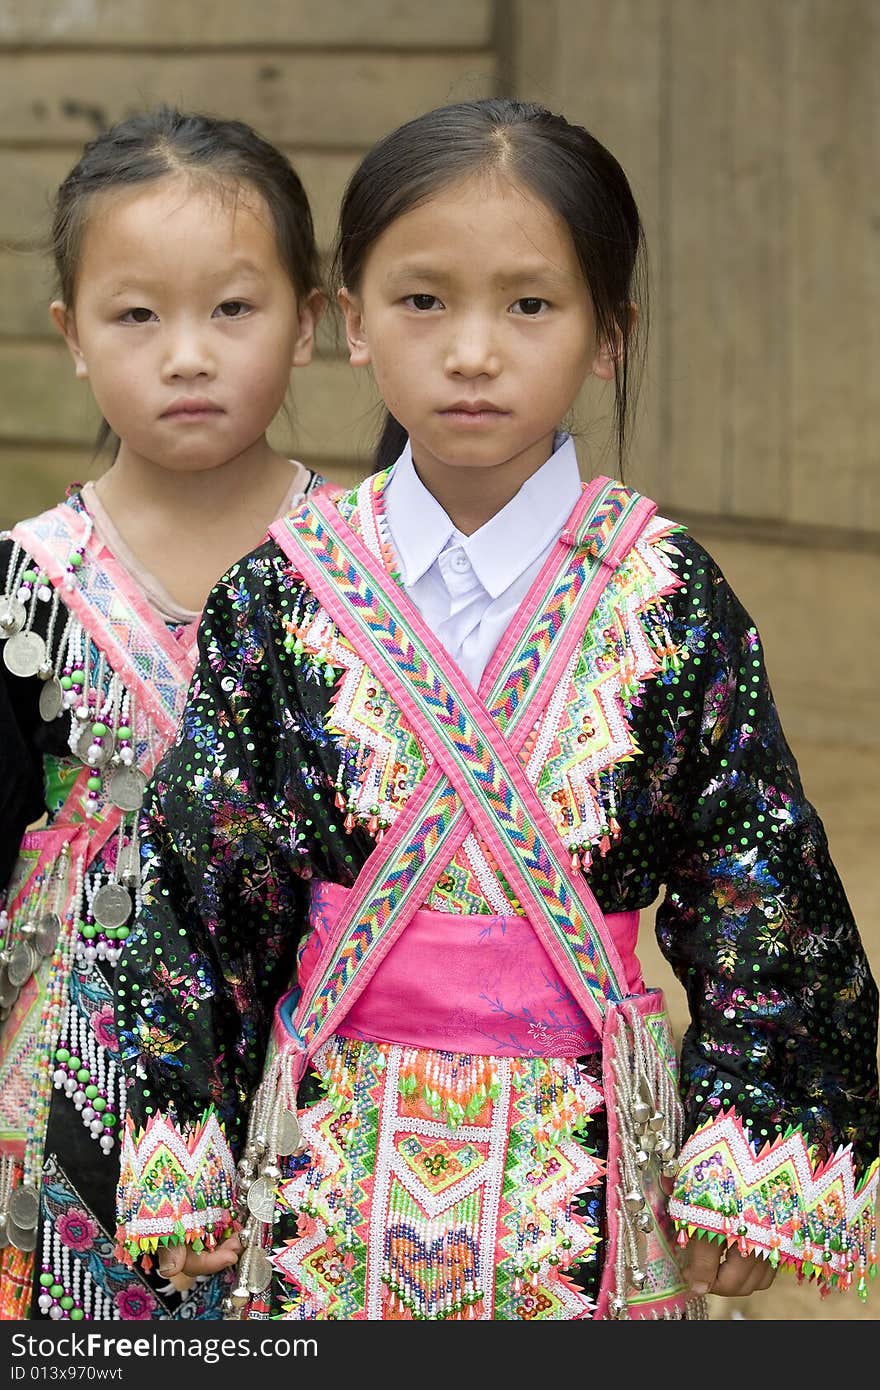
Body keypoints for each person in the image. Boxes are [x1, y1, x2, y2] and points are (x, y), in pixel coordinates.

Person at [113, 98, 879, 1322]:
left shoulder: (666, 596)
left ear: (609, 334)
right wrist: (180, 1135)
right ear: (353, 323)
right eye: (424, 301)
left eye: (530, 304)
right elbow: (202, 877)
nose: (473, 351)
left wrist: (756, 1138)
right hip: (321, 1171)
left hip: (585, 1183)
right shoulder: (283, 591)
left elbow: (761, 879)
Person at [0, 104, 326, 1321]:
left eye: (233, 309)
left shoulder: (371, 573)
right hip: (72, 1052)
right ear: (72, 337)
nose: (186, 353)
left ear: (309, 320)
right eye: (136, 315)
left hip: (313, 1031)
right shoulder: (27, 581)